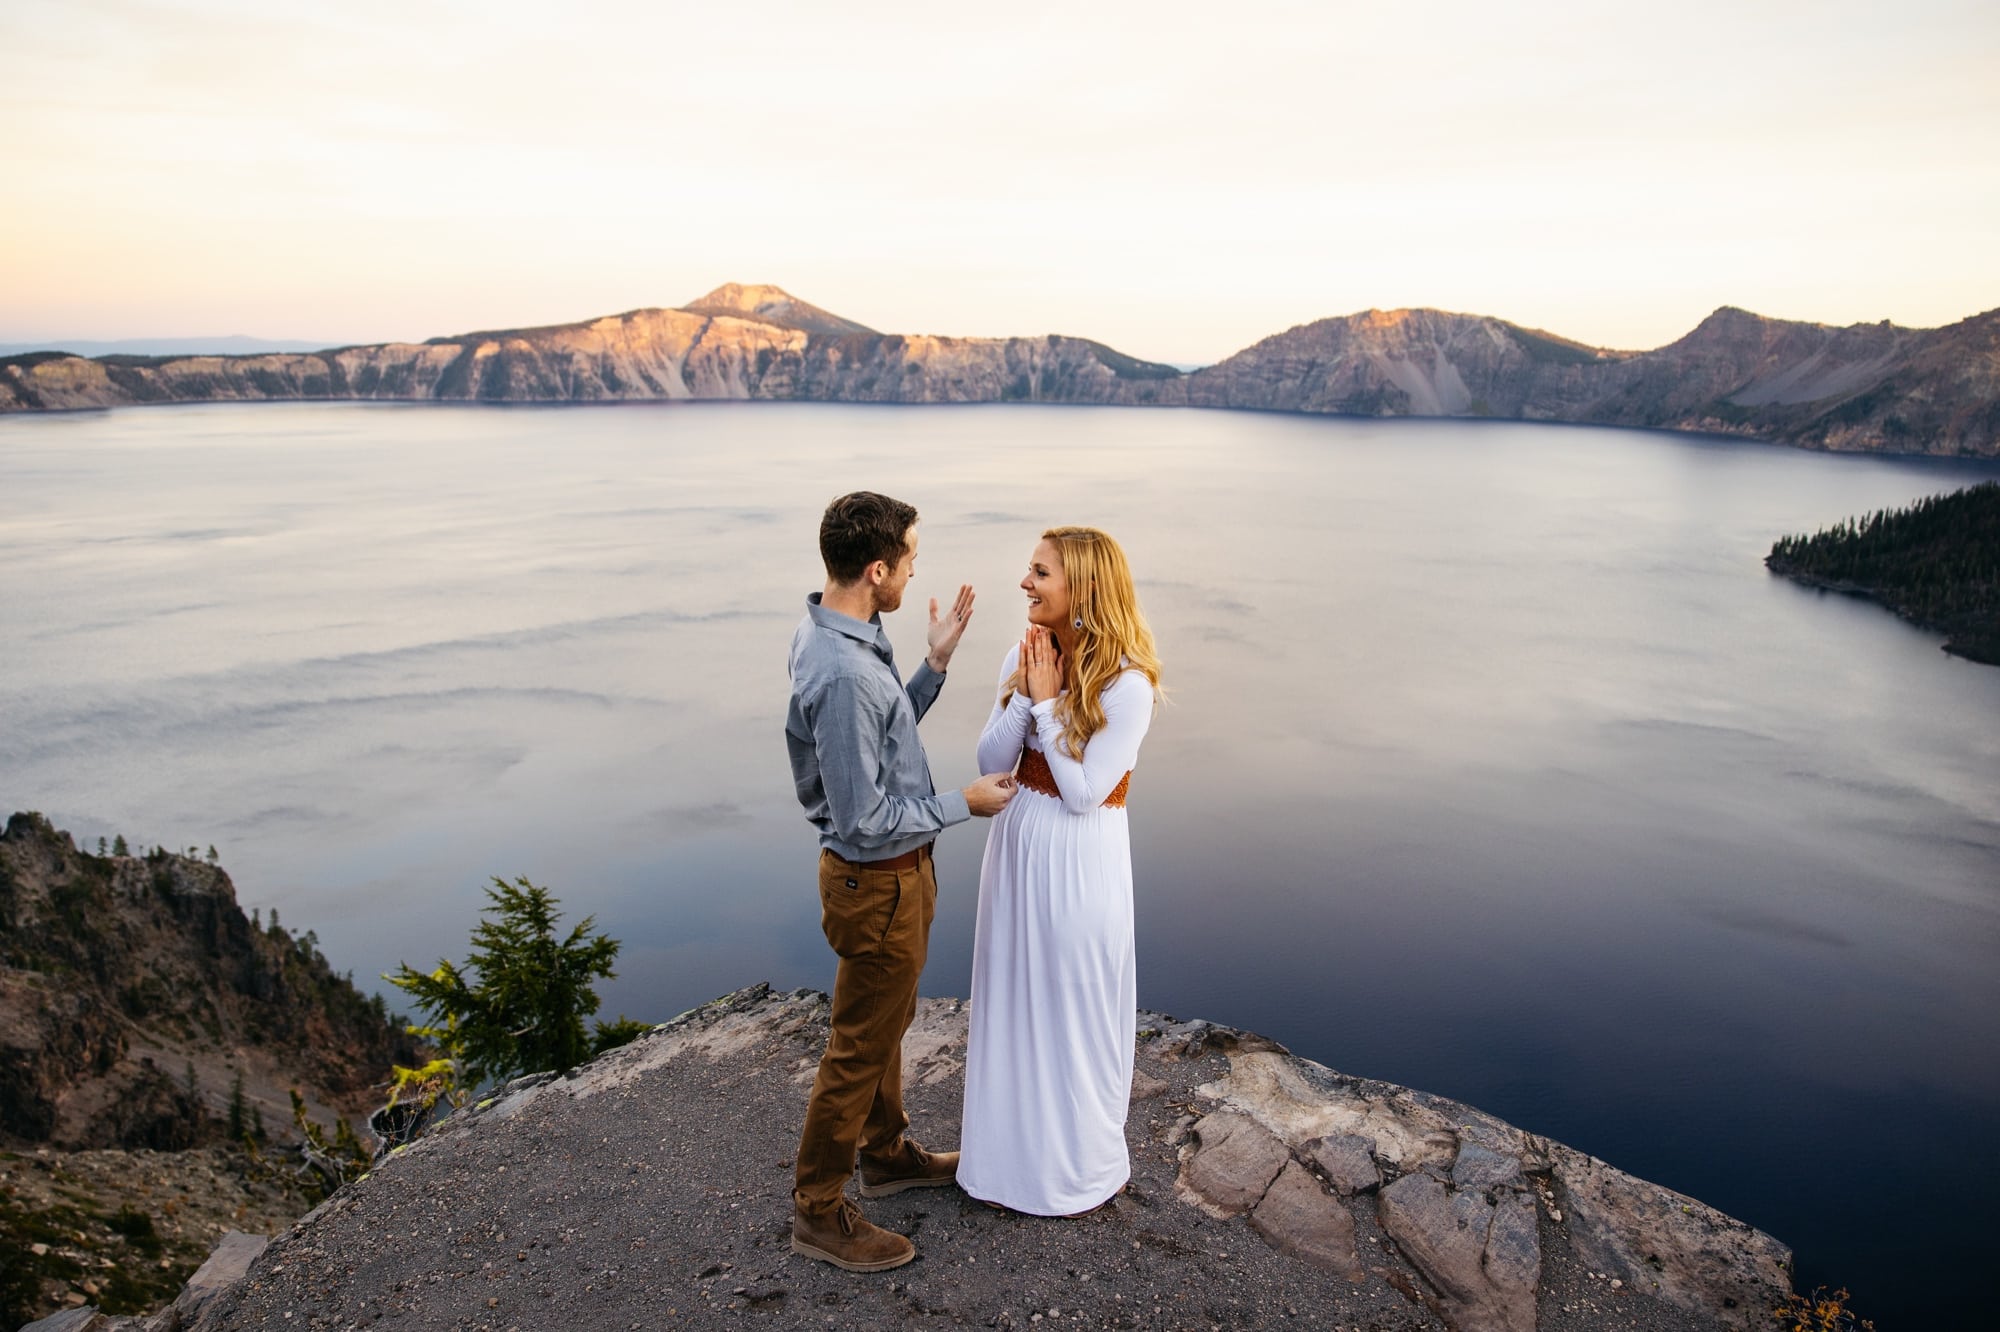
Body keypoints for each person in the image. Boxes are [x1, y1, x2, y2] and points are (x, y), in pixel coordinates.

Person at [784, 491, 1017, 1272]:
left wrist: (936, 664)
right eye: (910, 560)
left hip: (890, 880)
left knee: (882, 1024)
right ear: (877, 568)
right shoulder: (844, 671)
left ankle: (883, 1157)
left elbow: (877, 746)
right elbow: (863, 818)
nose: (916, 572)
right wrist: (965, 803)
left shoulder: (844, 632)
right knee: (858, 1047)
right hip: (877, 881)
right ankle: (818, 1211)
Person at [957, 526, 1163, 1216]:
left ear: (1084, 587)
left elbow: (1084, 793)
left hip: (1080, 860)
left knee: (1073, 1004)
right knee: (1014, 996)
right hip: (1018, 850)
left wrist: (1047, 705)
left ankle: (1073, 1169)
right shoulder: (1027, 652)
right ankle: (1006, 1167)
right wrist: (1019, 692)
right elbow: (992, 761)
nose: (1025, 583)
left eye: (1040, 572)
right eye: (1029, 570)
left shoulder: (1128, 683)